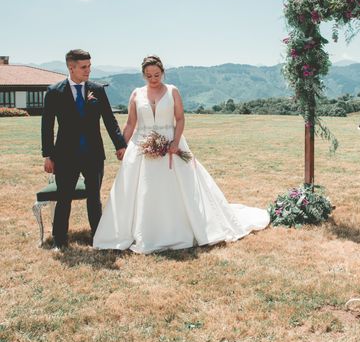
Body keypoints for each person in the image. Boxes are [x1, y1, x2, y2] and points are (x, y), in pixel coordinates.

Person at [93, 55, 270, 253]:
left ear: (163, 72)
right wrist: (122, 146)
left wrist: (175, 142)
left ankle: (180, 230)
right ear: (143, 75)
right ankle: (142, 231)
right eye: (149, 75)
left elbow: (180, 119)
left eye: (157, 75)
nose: (153, 79)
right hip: (141, 145)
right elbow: (131, 123)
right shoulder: (136, 94)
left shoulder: (172, 91)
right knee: (142, 189)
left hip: (171, 144)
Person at [41, 49, 127, 249]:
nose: (88, 70)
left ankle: (98, 237)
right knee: (64, 198)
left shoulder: (97, 89)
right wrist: (48, 155)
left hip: (93, 154)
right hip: (65, 155)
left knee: (94, 198)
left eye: (89, 66)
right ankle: (60, 241)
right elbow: (47, 126)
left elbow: (109, 119)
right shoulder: (54, 91)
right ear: (71, 67)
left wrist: (120, 144)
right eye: (83, 67)